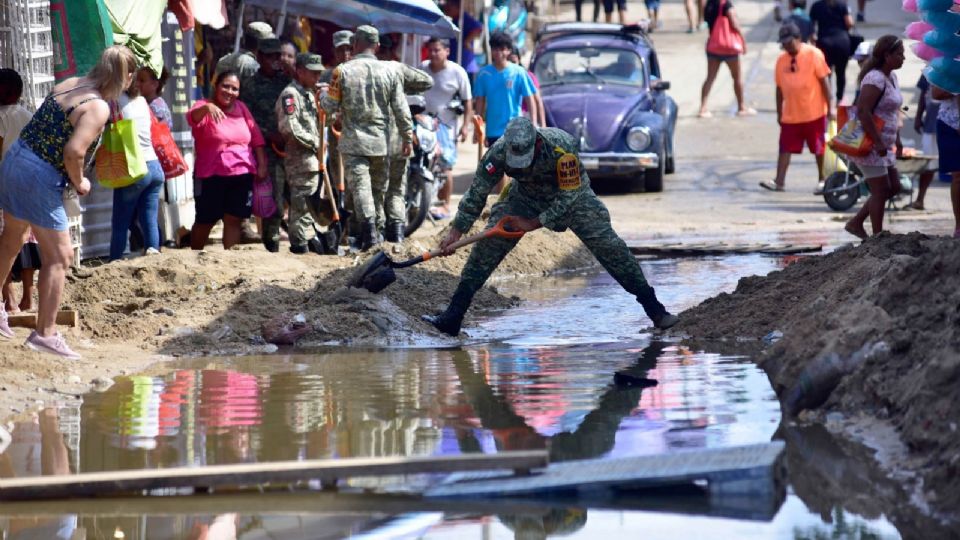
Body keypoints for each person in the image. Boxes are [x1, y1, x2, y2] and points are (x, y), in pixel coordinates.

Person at [423, 117, 679, 336]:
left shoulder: (561, 146)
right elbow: (477, 191)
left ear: (536, 142)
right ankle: (453, 316)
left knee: (611, 248)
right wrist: (457, 230)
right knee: (487, 249)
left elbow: (569, 196)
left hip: (573, 197)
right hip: (525, 197)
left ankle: (655, 310)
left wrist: (533, 223)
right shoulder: (499, 152)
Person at [0, 45, 136, 359]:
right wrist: (80, 181)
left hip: (14, 161)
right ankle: (45, 334)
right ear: (125, 77)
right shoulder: (98, 107)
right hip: (39, 176)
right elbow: (74, 152)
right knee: (60, 257)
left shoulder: (70, 84)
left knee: (14, 238)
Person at [320, 25, 412, 251]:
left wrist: (322, 97)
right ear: (377, 46)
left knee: (361, 189)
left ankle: (370, 235)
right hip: (382, 143)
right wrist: (407, 136)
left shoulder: (341, 71)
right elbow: (401, 108)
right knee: (378, 192)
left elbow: (329, 106)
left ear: (355, 44)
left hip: (354, 142)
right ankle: (377, 237)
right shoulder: (390, 71)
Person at [187, 70, 268, 251]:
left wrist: (262, 164)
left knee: (234, 219)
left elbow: (256, 138)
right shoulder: (204, 106)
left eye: (234, 89)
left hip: (242, 174)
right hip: (211, 174)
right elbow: (192, 118)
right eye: (226, 86)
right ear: (216, 86)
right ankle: (194, 254)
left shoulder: (242, 108)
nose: (230, 92)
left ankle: (229, 258)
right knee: (205, 220)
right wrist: (207, 108)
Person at [843, 36, 906, 240]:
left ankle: (856, 222)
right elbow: (863, 111)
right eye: (899, 54)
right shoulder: (875, 78)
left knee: (894, 186)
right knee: (881, 190)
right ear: (887, 56)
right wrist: (878, 141)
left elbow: (893, 111)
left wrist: (897, 138)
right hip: (871, 143)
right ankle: (878, 236)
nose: (903, 58)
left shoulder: (891, 77)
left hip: (885, 144)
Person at [761, 23, 832, 192]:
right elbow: (779, 88)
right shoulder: (781, 60)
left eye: (789, 42)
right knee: (785, 148)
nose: (786, 46)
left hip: (813, 112)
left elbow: (824, 82)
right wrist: (779, 112)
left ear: (798, 39)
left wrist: (831, 108)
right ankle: (779, 181)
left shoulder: (814, 54)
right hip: (791, 114)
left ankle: (823, 179)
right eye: (783, 43)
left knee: (818, 148)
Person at [239, 38, 292, 253]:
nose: (274, 61)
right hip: (265, 148)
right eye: (269, 56)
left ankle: (295, 237)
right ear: (260, 57)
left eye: (277, 56)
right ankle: (271, 242)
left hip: (290, 146)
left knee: (294, 196)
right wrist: (268, 135)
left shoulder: (286, 81)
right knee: (273, 198)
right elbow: (246, 119)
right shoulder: (250, 84)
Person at [276, 53, 328, 255]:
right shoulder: (290, 95)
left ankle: (305, 242)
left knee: (309, 206)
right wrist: (315, 142)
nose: (317, 77)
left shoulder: (308, 94)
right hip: (301, 161)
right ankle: (299, 245)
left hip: (314, 160)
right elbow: (289, 126)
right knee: (302, 206)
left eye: (319, 73)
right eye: (313, 73)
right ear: (300, 71)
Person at [109, 76, 165, 261]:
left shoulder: (115, 100)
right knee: (148, 218)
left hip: (134, 168)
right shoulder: (141, 100)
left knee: (120, 223)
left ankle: (114, 263)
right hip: (154, 167)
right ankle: (154, 258)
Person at [381, 55, 434, 244]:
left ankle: (376, 236)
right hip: (398, 144)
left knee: (380, 190)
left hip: (378, 145)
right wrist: (407, 136)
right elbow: (427, 81)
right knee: (396, 190)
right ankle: (396, 235)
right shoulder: (396, 73)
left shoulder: (366, 75)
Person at [0, 69, 40, 315]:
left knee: (5, 242)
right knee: (27, 240)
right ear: (20, 93)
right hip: (27, 183)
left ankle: (10, 299)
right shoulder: (27, 115)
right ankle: (28, 298)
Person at [423, 37, 474, 220]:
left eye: (437, 50)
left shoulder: (457, 72)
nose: (433, 54)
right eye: (430, 50)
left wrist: (466, 127)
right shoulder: (422, 69)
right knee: (422, 164)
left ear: (447, 51)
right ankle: (422, 204)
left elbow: (468, 101)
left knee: (445, 166)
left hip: (446, 126)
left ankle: (445, 205)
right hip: (424, 125)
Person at [474, 31, 538, 147]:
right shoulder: (484, 74)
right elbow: (480, 102)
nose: (498, 53)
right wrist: (477, 128)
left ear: (508, 51)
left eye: (502, 49)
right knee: (496, 164)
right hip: (493, 130)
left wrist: (533, 124)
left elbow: (530, 99)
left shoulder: (519, 72)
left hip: (516, 128)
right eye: (495, 49)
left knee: (515, 163)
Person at [319, 30, 353, 231]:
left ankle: (352, 227)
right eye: (341, 49)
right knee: (335, 178)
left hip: (356, 137)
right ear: (334, 51)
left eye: (349, 48)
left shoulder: (360, 72)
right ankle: (337, 222)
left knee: (354, 183)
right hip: (334, 137)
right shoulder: (327, 75)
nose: (346, 53)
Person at [699, 0, 754, 118]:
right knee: (737, 77)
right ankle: (741, 107)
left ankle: (703, 108)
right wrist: (743, 40)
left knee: (710, 78)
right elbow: (734, 24)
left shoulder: (709, 4)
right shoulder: (726, 5)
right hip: (729, 48)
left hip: (713, 46)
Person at [809, 0, 854, 104]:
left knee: (825, 74)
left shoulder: (816, 6)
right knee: (841, 72)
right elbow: (849, 23)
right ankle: (840, 99)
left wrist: (813, 41)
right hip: (842, 43)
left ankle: (828, 99)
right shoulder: (842, 4)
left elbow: (811, 27)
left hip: (824, 44)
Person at [929, 86, 960, 237]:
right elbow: (936, 93)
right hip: (951, 124)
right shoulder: (948, 64)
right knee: (958, 175)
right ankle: (959, 226)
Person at [908, 74, 940, 211]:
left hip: (954, 124)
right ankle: (920, 199)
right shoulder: (930, 66)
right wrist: (918, 116)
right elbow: (923, 92)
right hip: (931, 123)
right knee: (928, 163)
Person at [443, 1, 483, 84]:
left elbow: (478, 28)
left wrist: (467, 41)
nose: (446, 10)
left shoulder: (463, 18)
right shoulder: (453, 20)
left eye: (449, 8)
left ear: (457, 7)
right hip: (453, 61)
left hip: (464, 63)